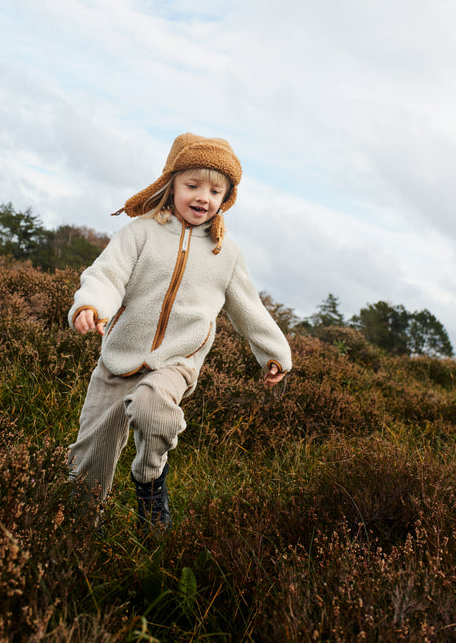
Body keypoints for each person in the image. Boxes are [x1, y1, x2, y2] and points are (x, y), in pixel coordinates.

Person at [67, 133, 292, 529]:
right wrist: (91, 305)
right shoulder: (140, 233)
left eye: (215, 190)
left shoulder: (226, 254)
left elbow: (248, 309)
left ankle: (150, 483)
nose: (203, 197)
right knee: (89, 461)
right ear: (170, 184)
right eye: (192, 185)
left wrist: (274, 352)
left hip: (176, 362)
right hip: (118, 360)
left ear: (227, 198)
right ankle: (77, 530)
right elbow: (107, 275)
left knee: (155, 410)